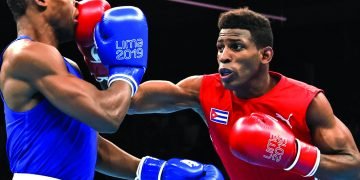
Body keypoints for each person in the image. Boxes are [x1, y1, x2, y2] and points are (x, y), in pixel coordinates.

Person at [126, 7, 360, 179]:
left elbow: (353, 165)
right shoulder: (203, 89)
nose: (224, 56)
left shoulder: (307, 101)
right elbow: (128, 104)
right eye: (220, 47)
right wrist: (110, 70)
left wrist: (295, 155)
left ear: (265, 55)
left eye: (236, 47)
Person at [0, 0, 224, 179]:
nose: (78, 5)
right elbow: (107, 116)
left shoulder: (66, 66)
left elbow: (88, 144)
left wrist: (153, 170)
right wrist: (126, 70)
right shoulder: (25, 54)